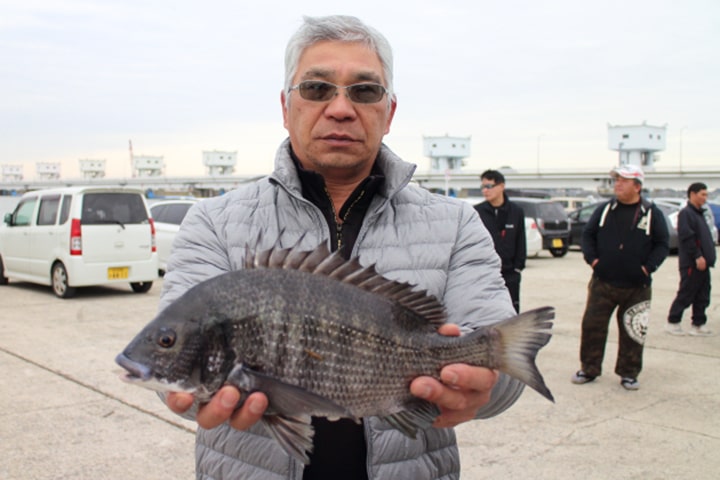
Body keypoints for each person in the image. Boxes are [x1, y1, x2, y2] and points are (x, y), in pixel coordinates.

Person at [161, 15, 524, 480]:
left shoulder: (456, 224)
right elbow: (173, 355)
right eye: (316, 89)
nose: (340, 108)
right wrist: (192, 395)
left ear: (389, 112)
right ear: (285, 106)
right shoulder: (213, 221)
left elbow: (505, 370)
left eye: (365, 91)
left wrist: (485, 386)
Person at [571, 164, 669, 391]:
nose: (618, 184)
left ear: (637, 186)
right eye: (616, 180)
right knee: (592, 327)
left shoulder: (652, 213)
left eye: (623, 180)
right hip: (603, 283)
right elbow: (588, 235)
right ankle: (589, 368)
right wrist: (593, 260)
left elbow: (662, 244)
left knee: (633, 330)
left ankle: (629, 372)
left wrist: (647, 268)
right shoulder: (605, 210)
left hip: (637, 286)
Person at [665, 183, 716, 336]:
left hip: (704, 263)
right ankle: (673, 322)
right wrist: (697, 256)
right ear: (692, 194)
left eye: (706, 195)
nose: (705, 198)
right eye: (702, 194)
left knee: (703, 294)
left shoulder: (699, 214)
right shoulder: (686, 214)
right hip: (692, 262)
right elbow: (688, 238)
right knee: (687, 292)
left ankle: (698, 324)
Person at [474, 169, 527, 312]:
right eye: (483, 187)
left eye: (489, 186)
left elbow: (521, 240)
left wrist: (518, 267)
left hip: (510, 273)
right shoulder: (477, 212)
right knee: (485, 312)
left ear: (501, 186)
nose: (485, 190)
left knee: (511, 312)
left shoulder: (516, 211)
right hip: (485, 274)